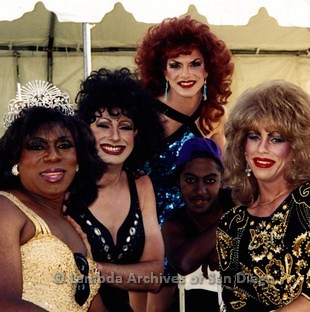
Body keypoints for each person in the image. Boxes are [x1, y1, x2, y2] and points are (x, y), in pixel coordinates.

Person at [216, 80, 310, 311]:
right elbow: (236, 303)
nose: (262, 148)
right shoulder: (231, 226)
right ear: (241, 146)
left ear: (298, 147)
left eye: (276, 138)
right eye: (254, 136)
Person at [0, 96, 106, 310]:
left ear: (78, 160)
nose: (53, 156)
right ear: (16, 160)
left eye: (64, 145)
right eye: (37, 147)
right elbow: (2, 305)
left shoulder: (71, 225)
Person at [134, 15, 234, 310]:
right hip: (144, 223)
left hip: (185, 225)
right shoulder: (144, 113)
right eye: (174, 65)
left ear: (209, 69)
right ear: (162, 71)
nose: (185, 73)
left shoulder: (214, 115)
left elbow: (222, 178)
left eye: (194, 63)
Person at [70, 67, 166, 311]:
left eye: (124, 126)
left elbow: (154, 277)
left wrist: (94, 269)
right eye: (103, 125)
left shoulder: (141, 185)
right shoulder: (66, 183)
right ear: (85, 131)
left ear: (137, 133)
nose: (114, 136)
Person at [161, 137, 234, 312]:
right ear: (179, 181)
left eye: (210, 180)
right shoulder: (175, 222)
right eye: (191, 180)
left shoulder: (236, 203)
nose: (200, 190)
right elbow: (184, 263)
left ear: (221, 181)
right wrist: (223, 230)